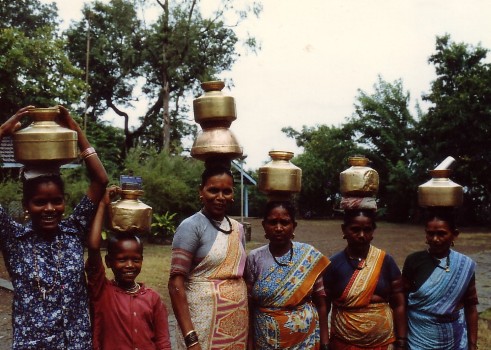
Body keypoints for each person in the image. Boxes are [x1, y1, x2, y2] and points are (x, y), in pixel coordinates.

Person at [0, 105, 108, 349]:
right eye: (40, 202)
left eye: (56, 201)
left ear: (64, 203)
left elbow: (101, 180)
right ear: (26, 205)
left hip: (77, 343)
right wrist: (3, 131)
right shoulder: (14, 238)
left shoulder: (74, 230)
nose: (50, 208)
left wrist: (75, 130)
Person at [168, 165, 248, 350]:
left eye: (226, 191)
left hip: (236, 328)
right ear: (201, 192)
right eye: (213, 190)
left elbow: (243, 275)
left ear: (233, 194)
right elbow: (175, 284)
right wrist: (191, 338)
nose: (220, 197)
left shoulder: (238, 228)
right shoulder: (191, 227)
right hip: (201, 328)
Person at [85, 186, 172, 350]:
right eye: (122, 260)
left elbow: (162, 341)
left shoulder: (153, 299)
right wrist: (103, 205)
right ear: (108, 262)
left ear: (142, 260)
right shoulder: (102, 291)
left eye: (135, 259)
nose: (130, 265)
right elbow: (93, 247)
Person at [245, 200, 330, 349]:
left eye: (284, 222)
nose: (278, 228)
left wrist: (324, 341)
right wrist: (250, 343)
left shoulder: (308, 255)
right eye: (273, 222)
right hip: (265, 339)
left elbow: (321, 302)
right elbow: (250, 305)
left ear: (293, 226)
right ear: (264, 225)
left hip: (305, 340)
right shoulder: (255, 257)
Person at [323, 209, 407, 350]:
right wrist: (324, 341)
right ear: (344, 230)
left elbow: (399, 304)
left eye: (367, 230)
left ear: (373, 231)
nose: (362, 235)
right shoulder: (333, 265)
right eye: (355, 230)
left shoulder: (385, 261)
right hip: (343, 344)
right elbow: (323, 307)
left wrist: (402, 341)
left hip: (383, 344)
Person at [402, 208, 478, 350]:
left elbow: (471, 306)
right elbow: (401, 302)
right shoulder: (413, 261)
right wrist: (401, 339)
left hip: (454, 340)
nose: (435, 239)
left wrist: (472, 344)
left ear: (454, 235)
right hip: (418, 339)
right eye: (430, 234)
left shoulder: (464, 265)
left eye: (442, 234)